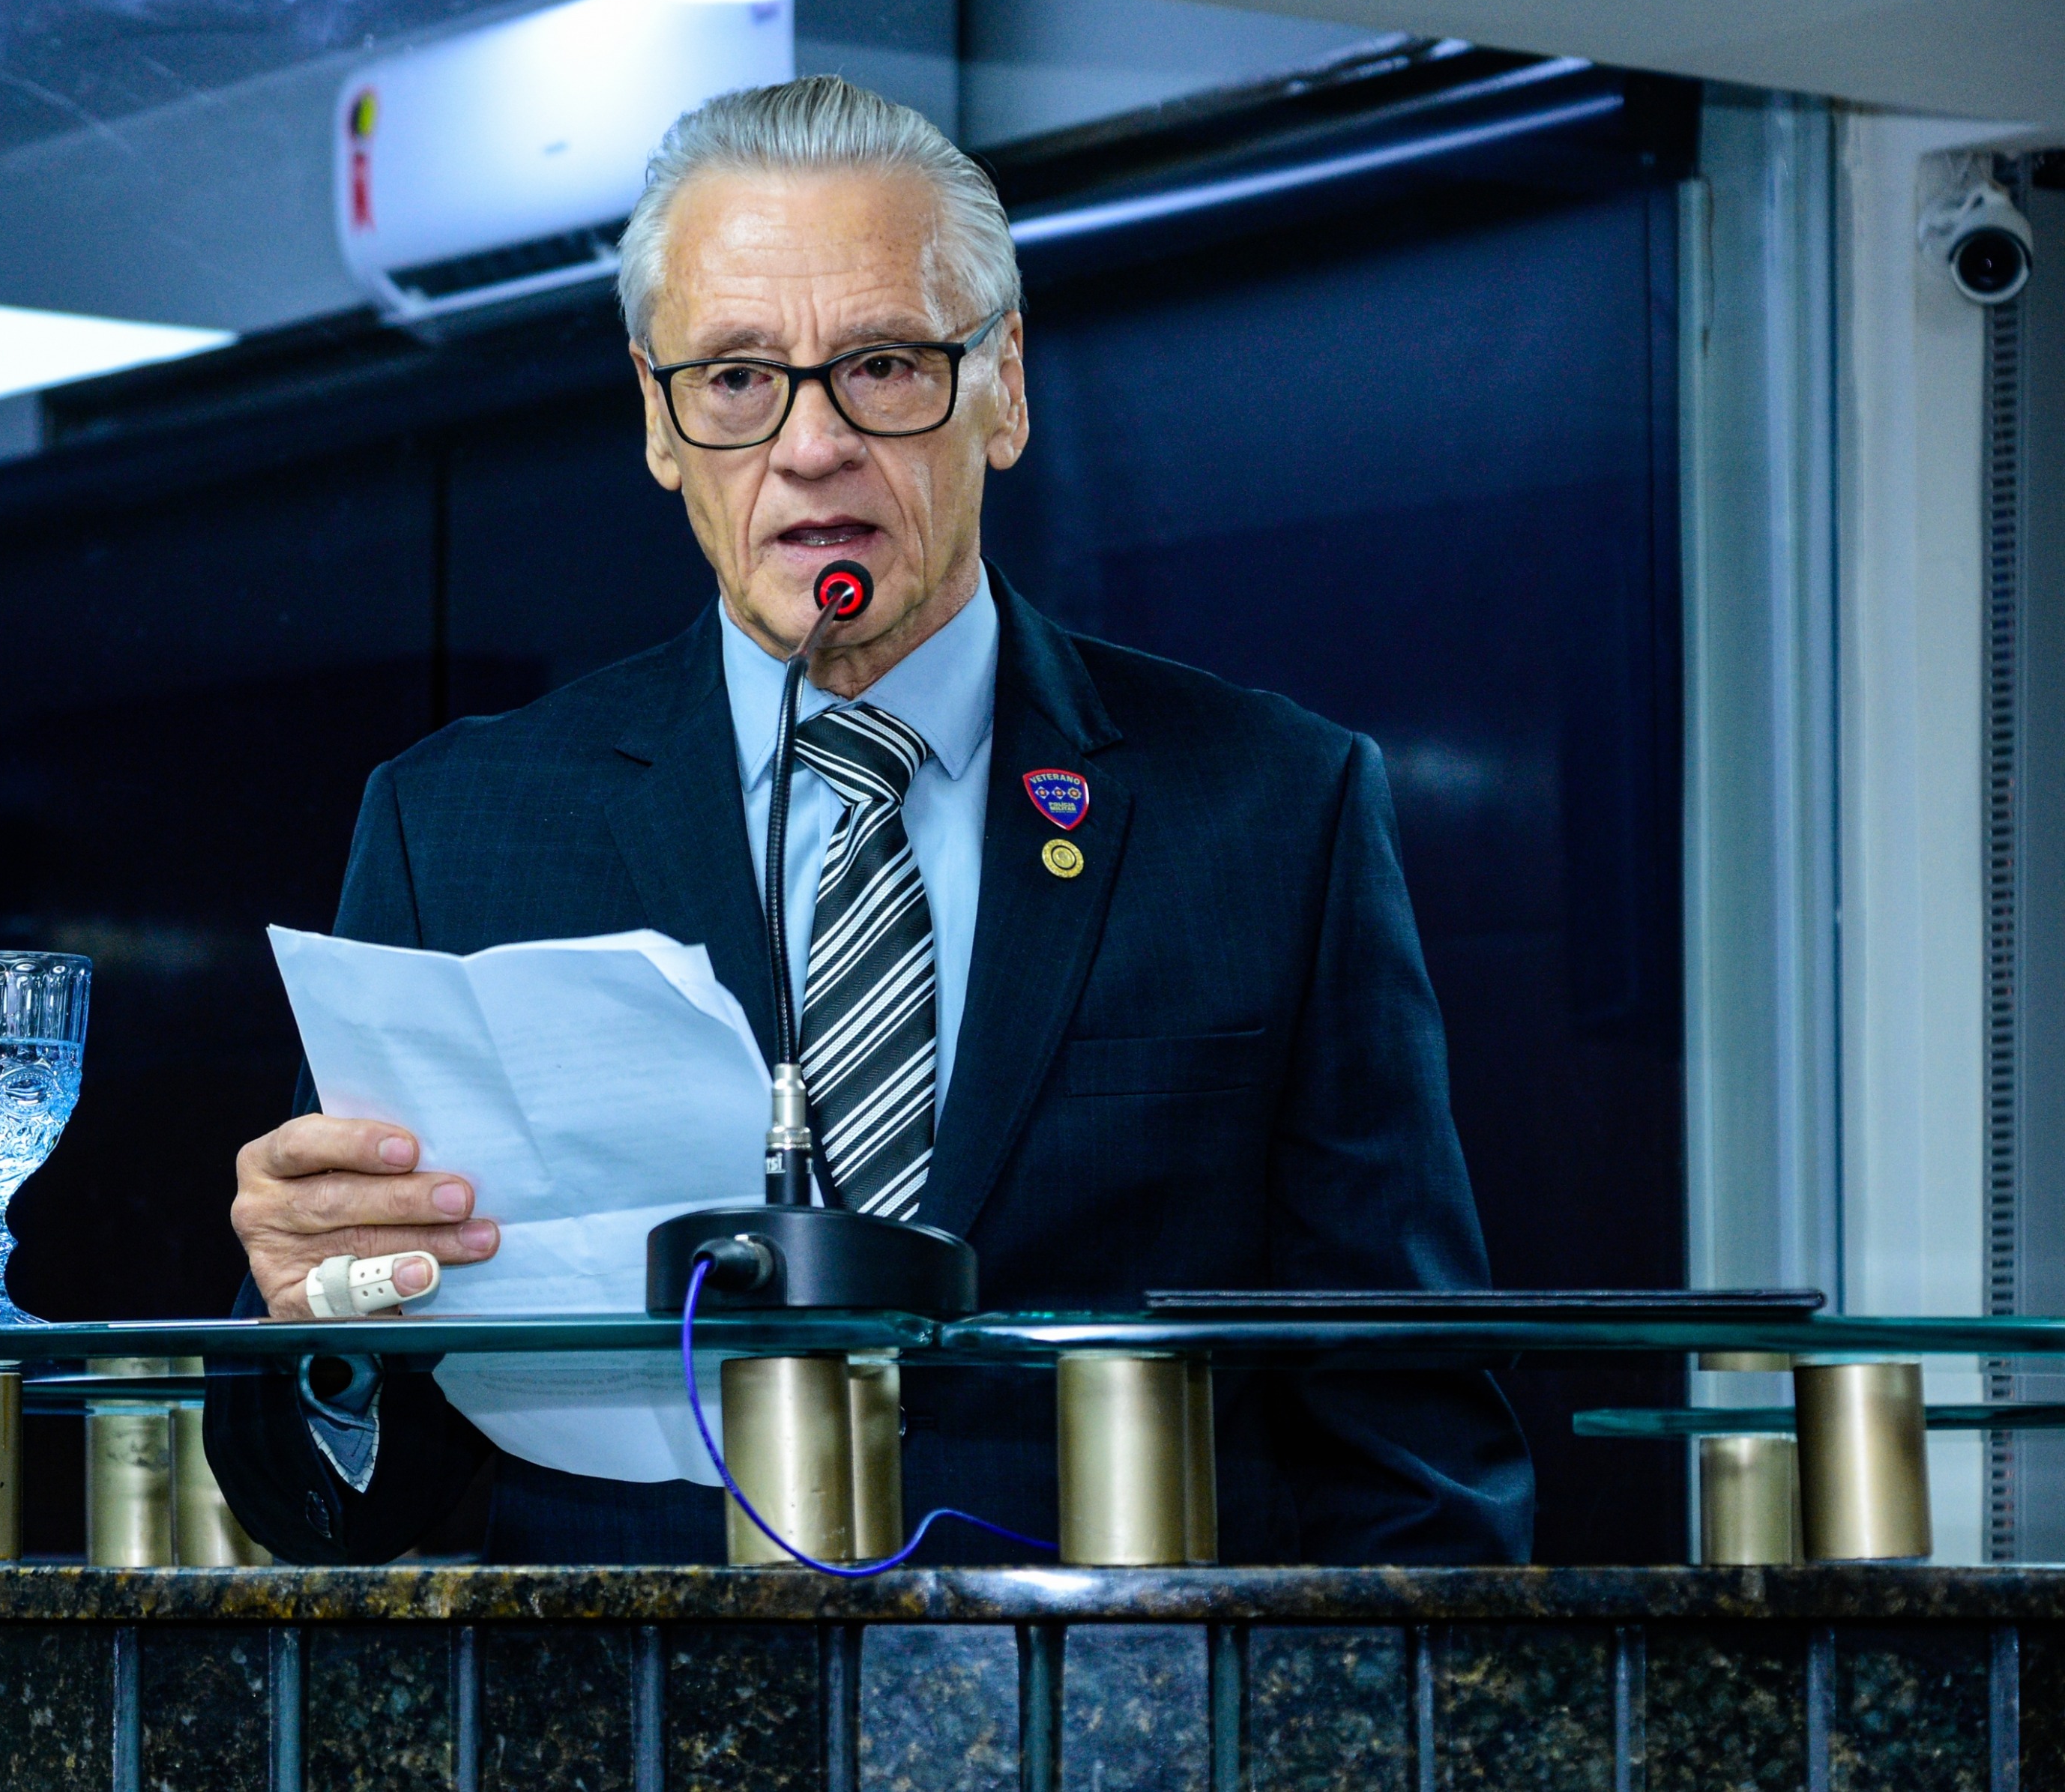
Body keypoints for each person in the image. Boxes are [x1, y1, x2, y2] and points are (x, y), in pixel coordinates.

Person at [207, 76, 1534, 1565]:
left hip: (1116, 1692)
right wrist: (320, 1332)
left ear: (1003, 386)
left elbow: (1410, 1449)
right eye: (735, 379)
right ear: (656, 419)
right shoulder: (454, 829)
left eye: (884, 366)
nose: (810, 445)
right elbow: (345, 1503)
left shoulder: (1271, 804)